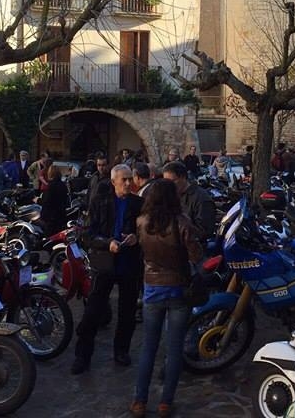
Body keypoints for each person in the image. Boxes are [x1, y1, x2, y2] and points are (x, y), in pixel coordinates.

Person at [130, 179, 204, 418]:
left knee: (148, 348)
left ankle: (139, 400)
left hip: (152, 287)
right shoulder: (182, 222)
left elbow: (143, 250)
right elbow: (196, 255)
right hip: (178, 289)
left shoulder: (142, 222)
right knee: (173, 350)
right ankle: (165, 403)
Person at [72, 164, 143, 374]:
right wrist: (107, 243)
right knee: (93, 311)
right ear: (114, 182)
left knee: (127, 312)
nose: (129, 183)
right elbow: (87, 234)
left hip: (129, 264)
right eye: (125, 180)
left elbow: (147, 231)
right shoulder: (100, 202)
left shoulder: (139, 203)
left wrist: (136, 238)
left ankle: (122, 350)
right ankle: (82, 356)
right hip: (104, 264)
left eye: (131, 179)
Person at [162, 161, 216, 240]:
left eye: (172, 181)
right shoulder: (172, 196)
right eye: (166, 182)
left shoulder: (201, 198)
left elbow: (204, 231)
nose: (168, 186)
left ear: (183, 177)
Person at [38, 164, 67, 236]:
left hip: (50, 217)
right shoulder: (63, 185)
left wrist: (38, 200)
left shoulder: (50, 186)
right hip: (60, 215)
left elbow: (46, 202)